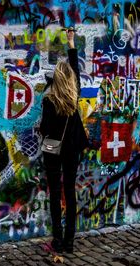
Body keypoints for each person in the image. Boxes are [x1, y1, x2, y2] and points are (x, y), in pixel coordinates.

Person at [39, 28, 88, 253]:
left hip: (52, 149)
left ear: (55, 80)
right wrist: (71, 42)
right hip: (72, 149)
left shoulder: (49, 101)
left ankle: (57, 239)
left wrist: (41, 128)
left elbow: (46, 129)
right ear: (70, 80)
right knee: (69, 191)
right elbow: (75, 67)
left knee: (55, 192)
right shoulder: (75, 94)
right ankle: (69, 241)